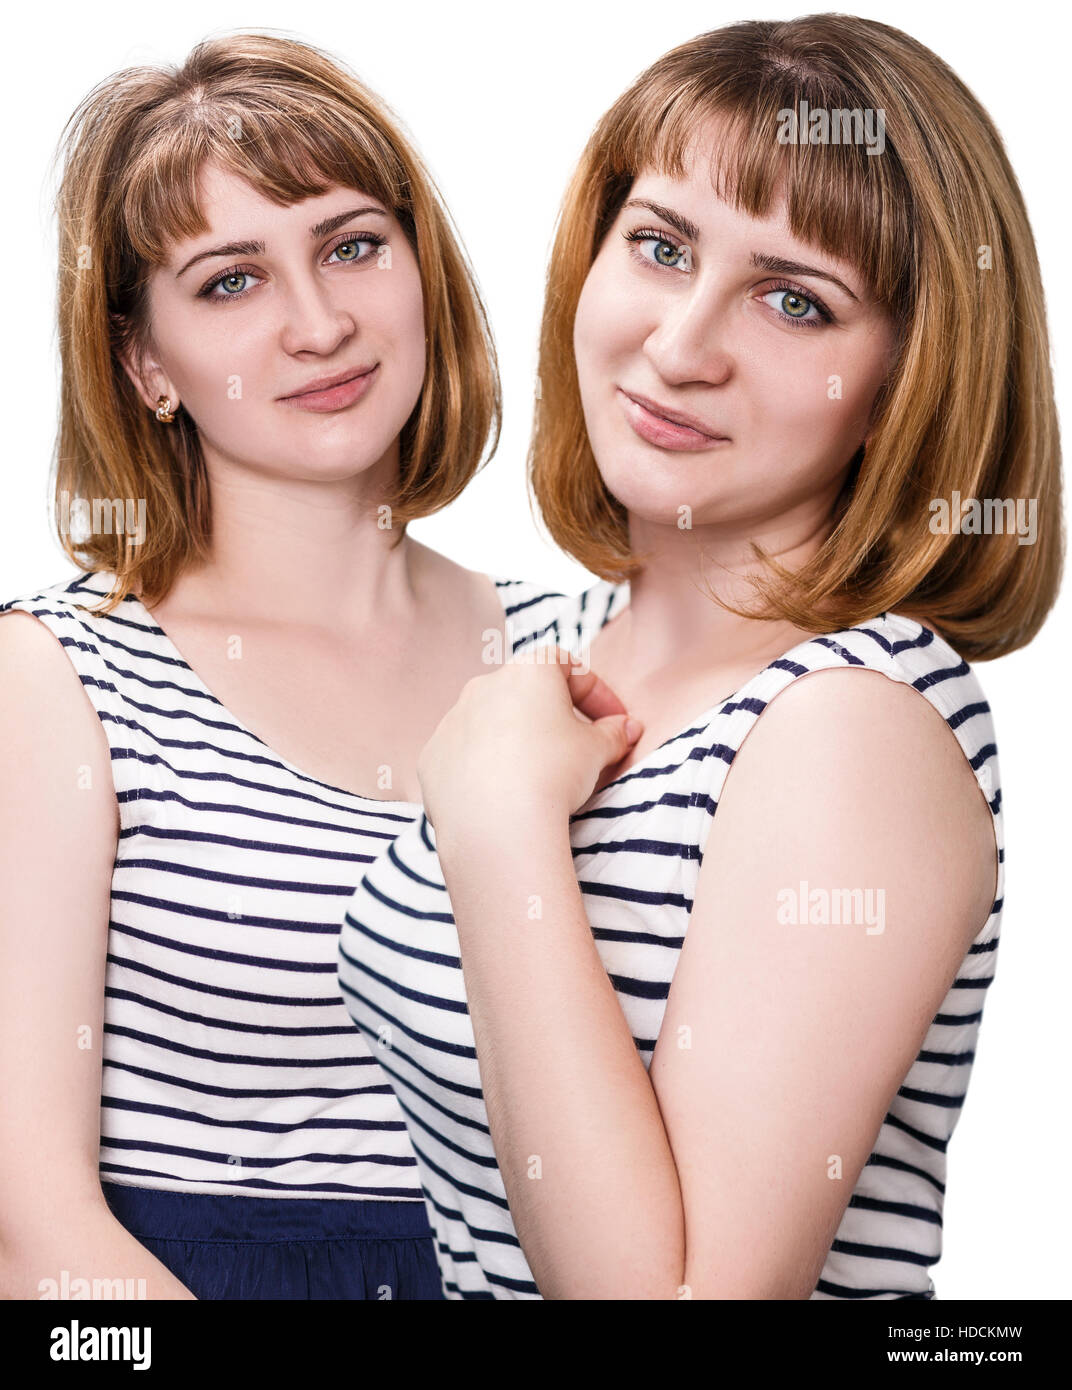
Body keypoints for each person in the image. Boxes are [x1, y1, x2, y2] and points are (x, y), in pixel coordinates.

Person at [337, 15, 1062, 1299]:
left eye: (794, 299)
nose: (681, 346)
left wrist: (503, 832)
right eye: (661, 247)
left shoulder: (854, 725)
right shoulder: (548, 655)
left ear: (912, 377)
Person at [0, 31, 563, 1300]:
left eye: (353, 245)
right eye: (230, 281)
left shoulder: (579, 651)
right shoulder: (56, 679)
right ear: (145, 362)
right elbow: (31, 1241)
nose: (319, 324)